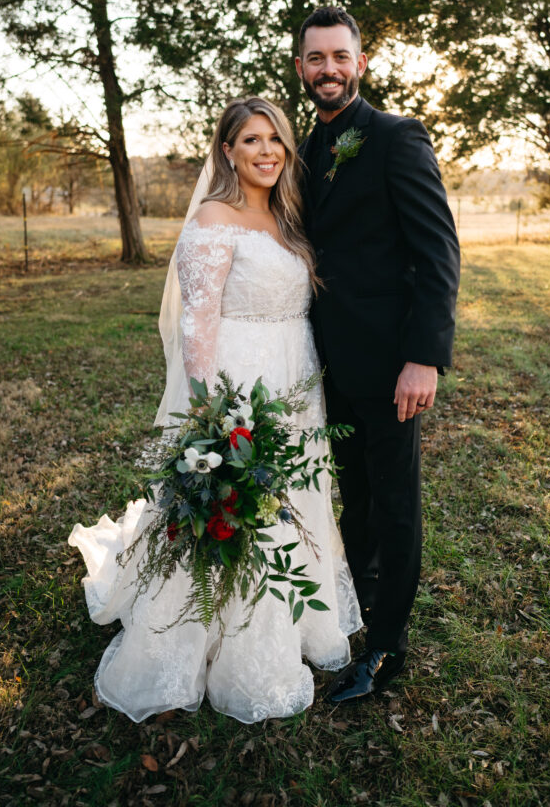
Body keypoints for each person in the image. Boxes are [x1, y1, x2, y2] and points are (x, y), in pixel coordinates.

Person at [69, 96, 361, 724]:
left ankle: (300, 622)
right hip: (242, 381)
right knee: (249, 501)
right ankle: (220, 640)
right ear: (226, 150)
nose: (267, 152)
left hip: (296, 378)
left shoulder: (286, 216)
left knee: (294, 496)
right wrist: (212, 420)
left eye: (275, 139)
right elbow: (196, 326)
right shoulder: (214, 217)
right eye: (251, 140)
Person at [296, 6, 460, 703]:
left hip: (394, 366)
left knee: (394, 505)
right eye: (315, 58)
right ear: (301, 67)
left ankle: (387, 648)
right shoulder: (299, 150)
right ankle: (355, 612)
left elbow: (437, 251)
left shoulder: (396, 138)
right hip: (324, 364)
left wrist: (423, 357)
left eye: (340, 56)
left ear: (359, 64)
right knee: (353, 496)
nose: (328, 69)